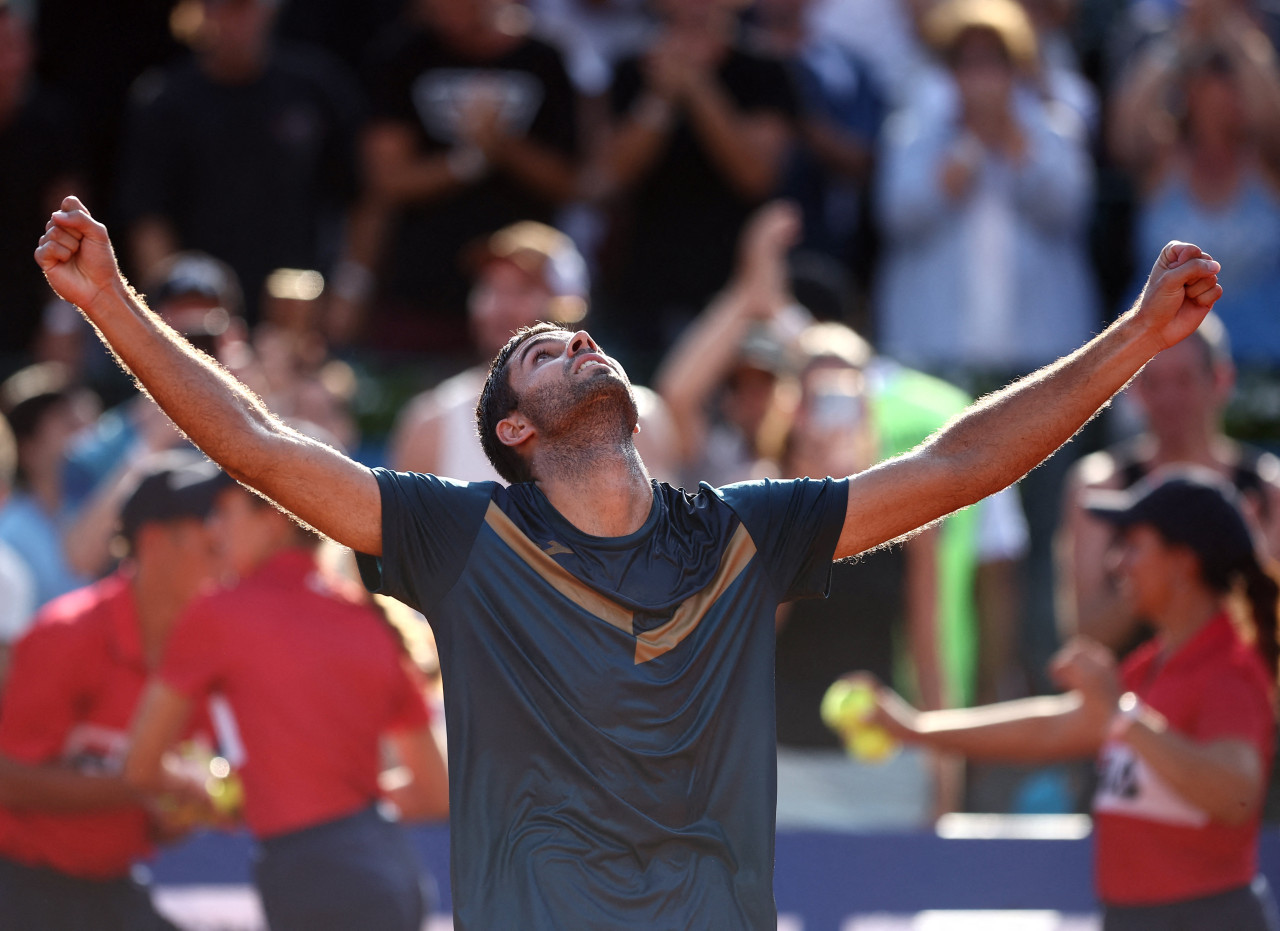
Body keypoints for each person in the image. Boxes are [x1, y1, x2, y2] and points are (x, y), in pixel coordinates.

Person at [35, 193, 1222, 928]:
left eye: (580, 335)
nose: (578, 343)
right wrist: (109, 304)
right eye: (544, 353)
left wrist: (1132, 338)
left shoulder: (743, 530)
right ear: (511, 428)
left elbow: (959, 462)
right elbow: (254, 441)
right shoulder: (458, 538)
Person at [862, 469, 1280, 928]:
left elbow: (1236, 795)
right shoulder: (1151, 665)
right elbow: (1051, 728)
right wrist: (915, 729)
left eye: (1134, 546)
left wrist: (1124, 713)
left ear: (1183, 564)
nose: (1117, 563)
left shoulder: (1229, 668)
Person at [124, 470, 449, 931]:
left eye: (224, 512)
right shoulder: (370, 620)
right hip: (390, 868)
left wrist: (214, 795)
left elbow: (139, 764)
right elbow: (434, 795)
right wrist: (342, 807)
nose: (213, 529)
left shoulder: (219, 612)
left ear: (274, 518)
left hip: (314, 879)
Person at [0, 453, 225, 931]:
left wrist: (186, 809)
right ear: (154, 542)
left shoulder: (204, 648)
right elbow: (8, 779)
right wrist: (147, 782)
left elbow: (162, 825)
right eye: (210, 543)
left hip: (111, 885)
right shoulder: (65, 633)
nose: (225, 559)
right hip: (19, 887)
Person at [389, 219, 678, 484]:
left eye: (522, 289)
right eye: (489, 288)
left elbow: (655, 537)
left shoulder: (639, 416)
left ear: (569, 304)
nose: (498, 306)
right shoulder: (430, 422)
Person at [1059, 312, 1280, 655]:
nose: (1168, 398)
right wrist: (1149, 573)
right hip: (1131, 701)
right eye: (1153, 382)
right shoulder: (1099, 487)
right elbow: (1086, 635)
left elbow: (1271, 638)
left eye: (1184, 380)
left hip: (1233, 701)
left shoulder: (1269, 489)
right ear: (1134, 389)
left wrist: (1251, 564)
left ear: (1221, 380)